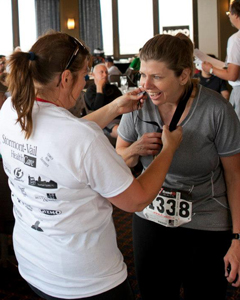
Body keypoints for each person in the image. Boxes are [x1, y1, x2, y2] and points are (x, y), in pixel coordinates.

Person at [0, 31, 182, 300]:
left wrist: (115, 107)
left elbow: (62, 140)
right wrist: (168, 150)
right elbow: (136, 200)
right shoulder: (82, 139)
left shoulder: (12, 110)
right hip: (85, 279)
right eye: (84, 76)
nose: (85, 83)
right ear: (64, 78)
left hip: (33, 262)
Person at [116, 33, 240, 300]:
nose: (146, 85)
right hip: (150, 214)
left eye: (157, 77)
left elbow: (235, 177)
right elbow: (120, 160)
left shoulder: (216, 110)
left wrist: (238, 239)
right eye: (142, 75)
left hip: (206, 217)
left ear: (184, 75)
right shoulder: (137, 106)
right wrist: (136, 149)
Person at [202, 0, 240, 119]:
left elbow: (233, 75)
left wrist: (211, 69)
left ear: (236, 15)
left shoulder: (236, 39)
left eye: (230, 14)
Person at [85, 63, 122, 138]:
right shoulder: (91, 90)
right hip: (105, 120)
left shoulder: (113, 88)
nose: (105, 75)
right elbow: (97, 108)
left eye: (106, 72)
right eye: (101, 72)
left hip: (121, 118)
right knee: (122, 133)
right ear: (93, 75)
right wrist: (99, 87)